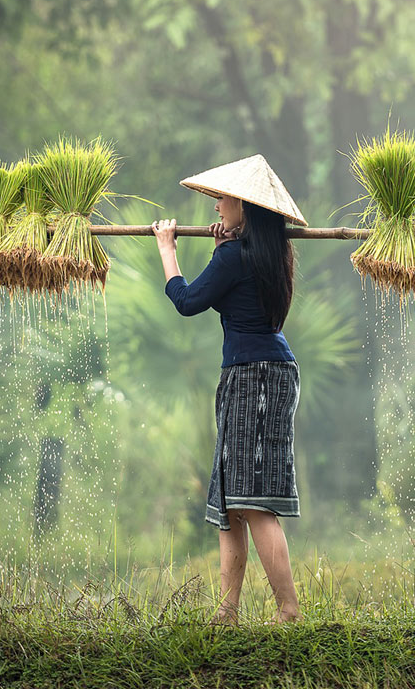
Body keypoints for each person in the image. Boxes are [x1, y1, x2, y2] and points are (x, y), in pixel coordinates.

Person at [151, 153, 308, 627]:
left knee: (251, 500)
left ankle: (288, 609)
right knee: (231, 500)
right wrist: (225, 247)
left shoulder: (235, 257)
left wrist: (167, 248)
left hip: (255, 377)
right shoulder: (267, 254)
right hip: (263, 372)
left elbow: (187, 300)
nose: (216, 206)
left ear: (244, 205)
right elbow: (231, 284)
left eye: (223, 199)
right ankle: (228, 611)